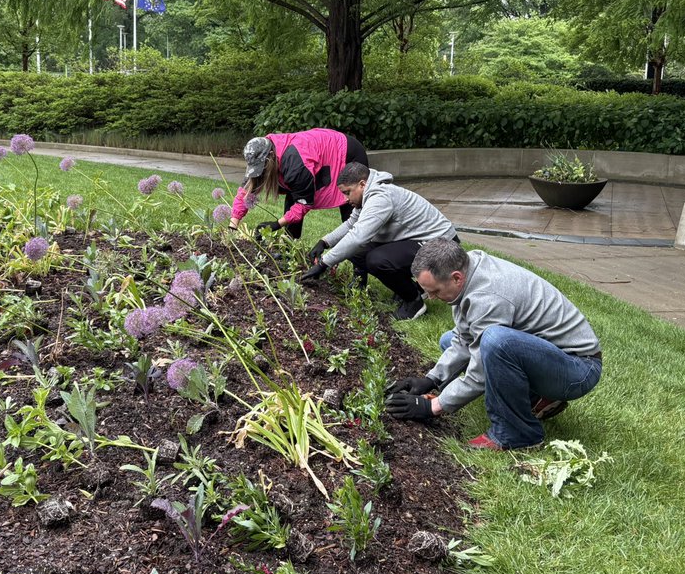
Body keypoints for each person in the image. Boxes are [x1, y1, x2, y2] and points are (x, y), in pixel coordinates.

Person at [385, 239, 602, 450]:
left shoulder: (487, 295)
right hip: (549, 357)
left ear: (456, 278)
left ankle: (518, 433)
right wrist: (432, 379)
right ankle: (536, 398)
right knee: (448, 340)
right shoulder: (467, 270)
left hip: (578, 369)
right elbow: (464, 339)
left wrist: (433, 406)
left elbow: (479, 373)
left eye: (435, 291)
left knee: (495, 342)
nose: (431, 297)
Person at [298, 162, 458, 320]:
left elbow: (358, 237)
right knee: (358, 252)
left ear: (362, 184)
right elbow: (351, 224)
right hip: (420, 241)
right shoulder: (367, 196)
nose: (345, 199)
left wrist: (324, 264)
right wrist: (324, 242)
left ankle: (413, 302)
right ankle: (413, 288)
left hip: (442, 248)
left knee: (377, 260)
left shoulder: (380, 197)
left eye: (347, 192)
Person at [228, 129, 368, 239]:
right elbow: (246, 191)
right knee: (292, 196)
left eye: (262, 168)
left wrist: (276, 225)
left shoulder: (294, 164)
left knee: (351, 214)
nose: (260, 172)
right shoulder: (259, 152)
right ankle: (289, 252)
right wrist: (232, 227)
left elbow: (304, 203)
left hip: (346, 152)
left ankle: (359, 271)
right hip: (314, 153)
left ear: (270, 156)